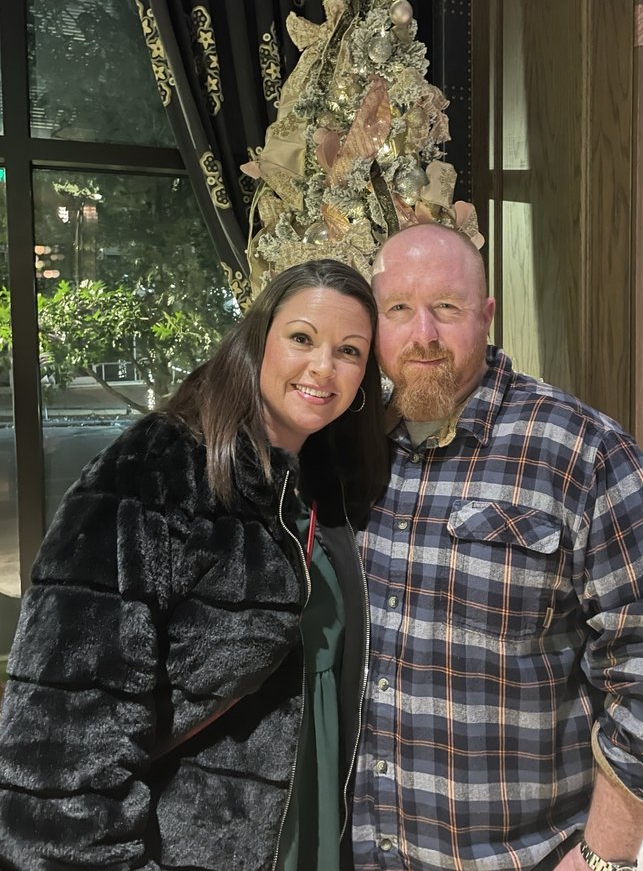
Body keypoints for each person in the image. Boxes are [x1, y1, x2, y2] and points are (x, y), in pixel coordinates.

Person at [0, 258, 388, 871]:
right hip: (191, 840)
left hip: (314, 823)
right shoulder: (158, 467)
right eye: (302, 338)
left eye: (349, 351)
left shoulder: (327, 483)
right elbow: (61, 724)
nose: (323, 367)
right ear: (257, 341)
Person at [351, 224, 643, 871]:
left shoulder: (585, 453)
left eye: (447, 307)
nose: (423, 333)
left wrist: (602, 859)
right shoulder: (350, 451)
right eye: (399, 308)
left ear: (486, 315)